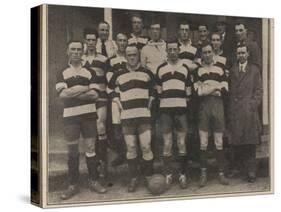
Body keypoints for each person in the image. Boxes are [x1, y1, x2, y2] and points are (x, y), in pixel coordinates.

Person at [56, 41, 107, 200]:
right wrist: (85, 88)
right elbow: (62, 96)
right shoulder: (62, 72)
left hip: (89, 115)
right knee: (72, 151)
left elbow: (95, 95)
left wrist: (73, 91)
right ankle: (73, 185)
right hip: (70, 116)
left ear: (82, 51)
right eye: (73, 49)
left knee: (91, 148)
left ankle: (94, 180)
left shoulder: (90, 71)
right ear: (68, 51)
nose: (76, 52)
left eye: (79, 49)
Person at [108, 45, 155, 192]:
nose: (132, 57)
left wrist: (150, 102)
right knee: (131, 147)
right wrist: (117, 101)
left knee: (146, 147)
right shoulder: (118, 74)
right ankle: (134, 178)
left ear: (138, 55)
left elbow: (155, 89)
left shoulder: (147, 72)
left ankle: (148, 177)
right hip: (127, 116)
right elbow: (109, 89)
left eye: (134, 54)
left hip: (143, 115)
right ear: (125, 57)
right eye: (129, 55)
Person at [156, 38, 192, 189]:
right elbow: (159, 92)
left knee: (182, 143)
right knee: (167, 143)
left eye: (174, 49)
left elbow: (189, 93)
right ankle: (168, 175)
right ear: (166, 51)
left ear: (178, 50)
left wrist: (181, 104)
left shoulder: (185, 68)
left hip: (181, 111)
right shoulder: (161, 69)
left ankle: (183, 175)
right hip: (166, 111)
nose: (172, 52)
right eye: (169, 49)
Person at [193, 43, 229, 187]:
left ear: (213, 53)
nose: (207, 54)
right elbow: (198, 93)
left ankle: (221, 173)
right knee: (203, 142)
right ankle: (203, 174)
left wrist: (207, 87)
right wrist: (215, 87)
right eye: (205, 52)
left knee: (219, 141)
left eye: (209, 52)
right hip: (204, 107)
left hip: (218, 106)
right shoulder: (197, 71)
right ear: (201, 54)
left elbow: (225, 90)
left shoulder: (220, 69)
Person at [228, 45, 262, 183]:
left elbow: (259, 90)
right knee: (238, 142)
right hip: (236, 111)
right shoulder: (232, 70)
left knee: (250, 143)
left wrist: (252, 105)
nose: (241, 55)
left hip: (248, 112)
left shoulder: (254, 70)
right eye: (239, 53)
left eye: (243, 52)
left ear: (248, 54)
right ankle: (240, 169)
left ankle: (251, 171)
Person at [82, 28, 108, 179]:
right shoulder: (80, 59)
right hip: (85, 98)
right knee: (90, 131)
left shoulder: (104, 59)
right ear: (85, 41)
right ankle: (94, 165)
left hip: (101, 98)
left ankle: (103, 164)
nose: (91, 42)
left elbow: (107, 79)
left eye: (93, 40)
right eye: (88, 39)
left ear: (97, 41)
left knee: (100, 126)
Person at [106, 32, 128, 166]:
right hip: (116, 96)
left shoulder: (132, 58)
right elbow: (110, 81)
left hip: (130, 95)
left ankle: (131, 153)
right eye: (120, 40)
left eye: (125, 40)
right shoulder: (110, 61)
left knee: (130, 124)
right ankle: (121, 153)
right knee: (117, 125)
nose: (122, 43)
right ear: (116, 42)